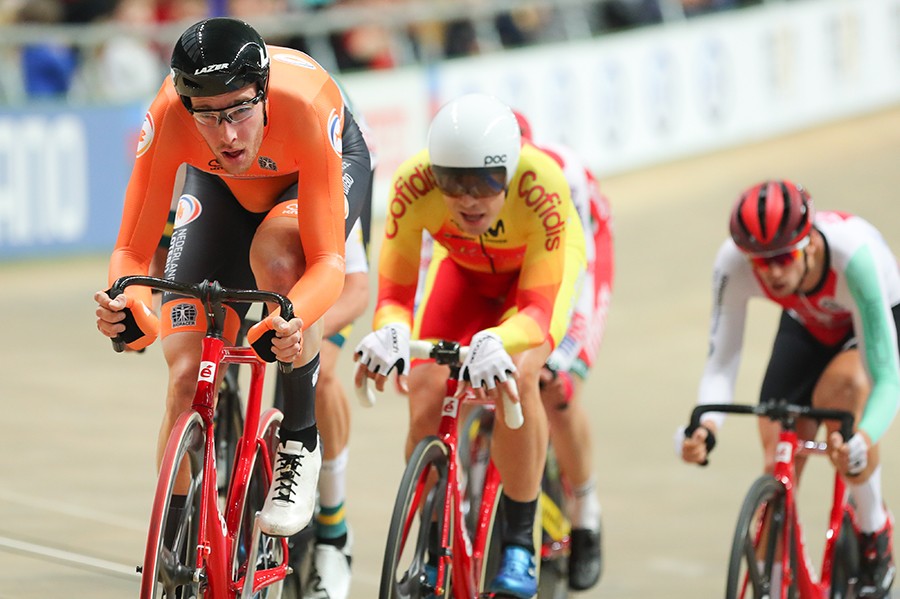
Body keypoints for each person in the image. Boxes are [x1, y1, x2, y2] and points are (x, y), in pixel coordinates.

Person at [93, 17, 372, 540]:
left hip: (301, 180)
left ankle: (299, 442)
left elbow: (329, 265)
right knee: (183, 372)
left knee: (281, 259)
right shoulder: (170, 115)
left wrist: (294, 317)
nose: (227, 133)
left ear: (263, 92)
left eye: (241, 109)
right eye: (208, 116)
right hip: (220, 187)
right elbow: (131, 248)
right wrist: (124, 300)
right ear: (186, 104)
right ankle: (174, 539)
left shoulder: (305, 107)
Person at [354, 92, 586, 599]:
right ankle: (432, 534)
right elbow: (394, 296)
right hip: (463, 272)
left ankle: (521, 541)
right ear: (433, 173)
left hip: (530, 284)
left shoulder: (542, 182)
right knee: (424, 382)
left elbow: (537, 313)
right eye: (453, 183)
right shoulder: (412, 184)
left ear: (510, 168)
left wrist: (498, 339)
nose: (469, 198)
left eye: (485, 181)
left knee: (519, 378)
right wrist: (389, 329)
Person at [679, 180, 900, 599]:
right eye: (761, 263)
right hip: (808, 322)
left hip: (873, 320)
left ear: (810, 245)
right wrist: (706, 426)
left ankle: (874, 530)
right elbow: (722, 359)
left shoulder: (854, 259)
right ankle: (778, 572)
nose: (773, 272)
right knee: (778, 444)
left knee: (844, 402)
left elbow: (887, 380)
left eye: (783, 258)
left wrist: (863, 438)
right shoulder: (734, 262)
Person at [512, 111, 614, 592]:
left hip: (577, 258)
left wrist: (560, 352)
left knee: (557, 386)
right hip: (503, 252)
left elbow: (577, 272)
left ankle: (585, 512)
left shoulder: (559, 176)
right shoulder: (459, 186)